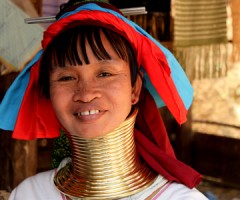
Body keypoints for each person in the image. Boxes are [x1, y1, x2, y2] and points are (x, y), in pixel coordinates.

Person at [0, 0, 208, 199]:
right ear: (48, 93)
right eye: (66, 78)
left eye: (105, 74)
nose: (86, 93)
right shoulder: (30, 195)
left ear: (135, 88)